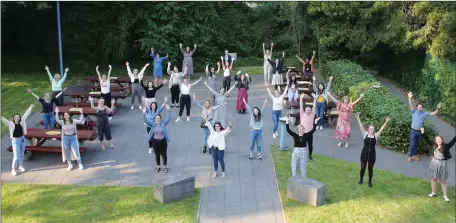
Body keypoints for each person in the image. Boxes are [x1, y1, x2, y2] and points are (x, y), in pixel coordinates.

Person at [355, 113, 390, 188]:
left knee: (370, 169)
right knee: (362, 168)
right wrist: (358, 118)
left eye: (372, 129)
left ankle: (370, 182)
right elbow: (361, 126)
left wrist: (386, 122)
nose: (371, 130)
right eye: (370, 128)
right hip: (364, 153)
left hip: (372, 154)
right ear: (368, 129)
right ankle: (361, 179)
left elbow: (381, 129)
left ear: (374, 130)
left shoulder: (376, 136)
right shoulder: (365, 134)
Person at [407, 91, 441, 162]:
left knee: (416, 144)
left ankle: (414, 155)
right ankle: (410, 156)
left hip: (419, 132)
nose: (419, 108)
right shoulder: (413, 112)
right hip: (413, 131)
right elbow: (410, 104)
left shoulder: (424, 113)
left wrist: (437, 109)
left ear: (422, 108)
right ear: (417, 107)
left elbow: (433, 113)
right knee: (412, 144)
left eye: (421, 107)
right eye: (418, 107)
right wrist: (409, 98)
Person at [422, 131, 455, 202]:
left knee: (443, 180)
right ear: (435, 141)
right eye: (437, 139)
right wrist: (423, 133)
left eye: (439, 139)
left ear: (442, 140)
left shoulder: (446, 146)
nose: (438, 140)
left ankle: (445, 196)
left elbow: (453, 141)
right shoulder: (434, 145)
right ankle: (433, 193)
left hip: (442, 163)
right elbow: (427, 139)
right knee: (434, 178)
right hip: (434, 162)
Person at [2, 104, 34, 176]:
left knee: (22, 153)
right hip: (15, 141)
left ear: (19, 118)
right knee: (16, 156)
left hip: (22, 139)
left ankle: (20, 165)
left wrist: (30, 107)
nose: (17, 118)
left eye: (18, 117)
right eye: (15, 117)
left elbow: (26, 114)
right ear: (14, 118)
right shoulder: (11, 124)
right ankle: (13, 169)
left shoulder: (22, 122)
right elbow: (4, 120)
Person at [285, 114, 319, 178]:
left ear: (304, 130)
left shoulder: (306, 135)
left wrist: (315, 122)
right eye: (300, 129)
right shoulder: (295, 135)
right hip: (296, 151)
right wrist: (287, 121)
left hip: (303, 152)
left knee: (303, 166)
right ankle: (293, 177)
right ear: (298, 130)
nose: (301, 130)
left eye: (302, 129)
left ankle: (303, 179)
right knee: (294, 165)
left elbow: (313, 130)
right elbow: (288, 130)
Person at [145, 104, 171, 173]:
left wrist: (168, 110)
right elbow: (146, 121)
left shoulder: (163, 124)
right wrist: (143, 114)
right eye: (156, 119)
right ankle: (158, 166)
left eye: (158, 118)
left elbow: (168, 118)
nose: (157, 120)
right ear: (155, 119)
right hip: (155, 142)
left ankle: (165, 166)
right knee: (157, 155)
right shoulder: (153, 124)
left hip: (163, 141)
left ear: (160, 119)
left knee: (164, 154)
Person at [299, 93, 317, 160]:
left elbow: (314, 106)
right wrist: (301, 98)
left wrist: (315, 99)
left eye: (309, 110)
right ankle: (301, 155)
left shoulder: (312, 115)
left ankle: (310, 155)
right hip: (302, 133)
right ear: (305, 110)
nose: (308, 111)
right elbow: (301, 106)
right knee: (302, 145)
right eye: (307, 110)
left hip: (310, 133)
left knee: (310, 145)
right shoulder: (302, 114)